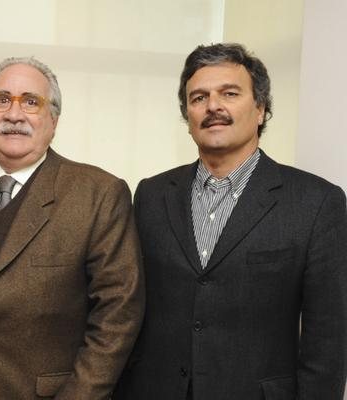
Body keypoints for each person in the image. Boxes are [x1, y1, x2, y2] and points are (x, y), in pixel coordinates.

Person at [113, 43, 347, 400]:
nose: (213, 107)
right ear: (187, 117)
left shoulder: (316, 203)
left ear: (260, 110)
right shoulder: (151, 195)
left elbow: (328, 340)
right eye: (198, 98)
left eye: (230, 94)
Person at [0, 56, 144, 399]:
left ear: (53, 120)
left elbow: (117, 315)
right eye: (2, 99)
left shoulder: (98, 193)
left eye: (31, 102)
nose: (14, 114)